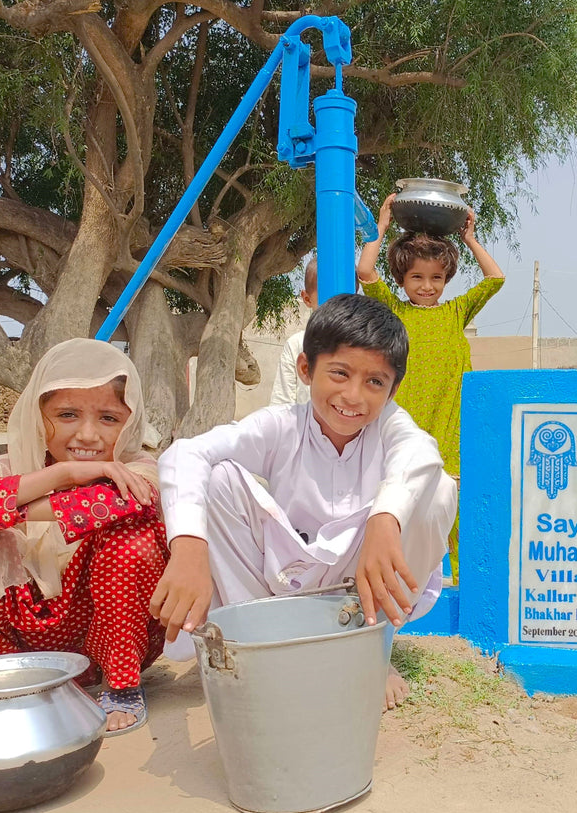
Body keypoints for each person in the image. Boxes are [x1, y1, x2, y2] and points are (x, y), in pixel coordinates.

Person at [151, 294, 457, 709]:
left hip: (364, 577)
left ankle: (371, 649)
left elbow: (421, 454)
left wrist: (386, 519)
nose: (353, 396)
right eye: (339, 373)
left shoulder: (391, 426)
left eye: (374, 382)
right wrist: (188, 546)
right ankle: (259, 645)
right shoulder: (281, 427)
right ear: (306, 370)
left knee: (436, 489)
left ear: (392, 389)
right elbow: (185, 453)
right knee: (219, 478)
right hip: (286, 583)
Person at [0, 339, 168, 735]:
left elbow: (112, 503)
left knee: (132, 535)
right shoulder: (11, 468)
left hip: (103, 643)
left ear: (130, 421)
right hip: (22, 642)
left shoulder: (139, 468)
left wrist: (1, 508)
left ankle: (122, 687)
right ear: (38, 415)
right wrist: (61, 476)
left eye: (109, 418)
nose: (88, 435)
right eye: (67, 414)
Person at [356, 193, 504, 582]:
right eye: (417, 277)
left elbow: (496, 279)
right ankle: (405, 587)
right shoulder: (394, 310)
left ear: (447, 279)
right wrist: (382, 225)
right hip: (405, 430)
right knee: (403, 512)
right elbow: (365, 271)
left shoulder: (457, 312)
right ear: (402, 279)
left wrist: (470, 239)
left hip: (450, 431)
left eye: (436, 277)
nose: (427, 285)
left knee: (454, 513)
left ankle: (459, 590)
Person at [270, 256, 318, 406]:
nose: (337, 306)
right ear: (307, 299)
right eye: (327, 296)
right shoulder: (297, 345)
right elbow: (281, 407)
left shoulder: (363, 347)